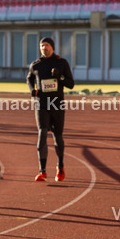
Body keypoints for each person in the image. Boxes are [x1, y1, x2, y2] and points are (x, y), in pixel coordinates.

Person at [27, 37, 74, 182]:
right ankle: (42, 171)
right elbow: (29, 78)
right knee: (42, 133)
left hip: (57, 104)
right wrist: (32, 90)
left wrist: (59, 77)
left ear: (52, 47)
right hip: (41, 104)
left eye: (46, 45)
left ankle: (60, 167)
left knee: (57, 135)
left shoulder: (61, 62)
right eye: (42, 46)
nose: (44, 48)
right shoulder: (36, 64)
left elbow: (71, 84)